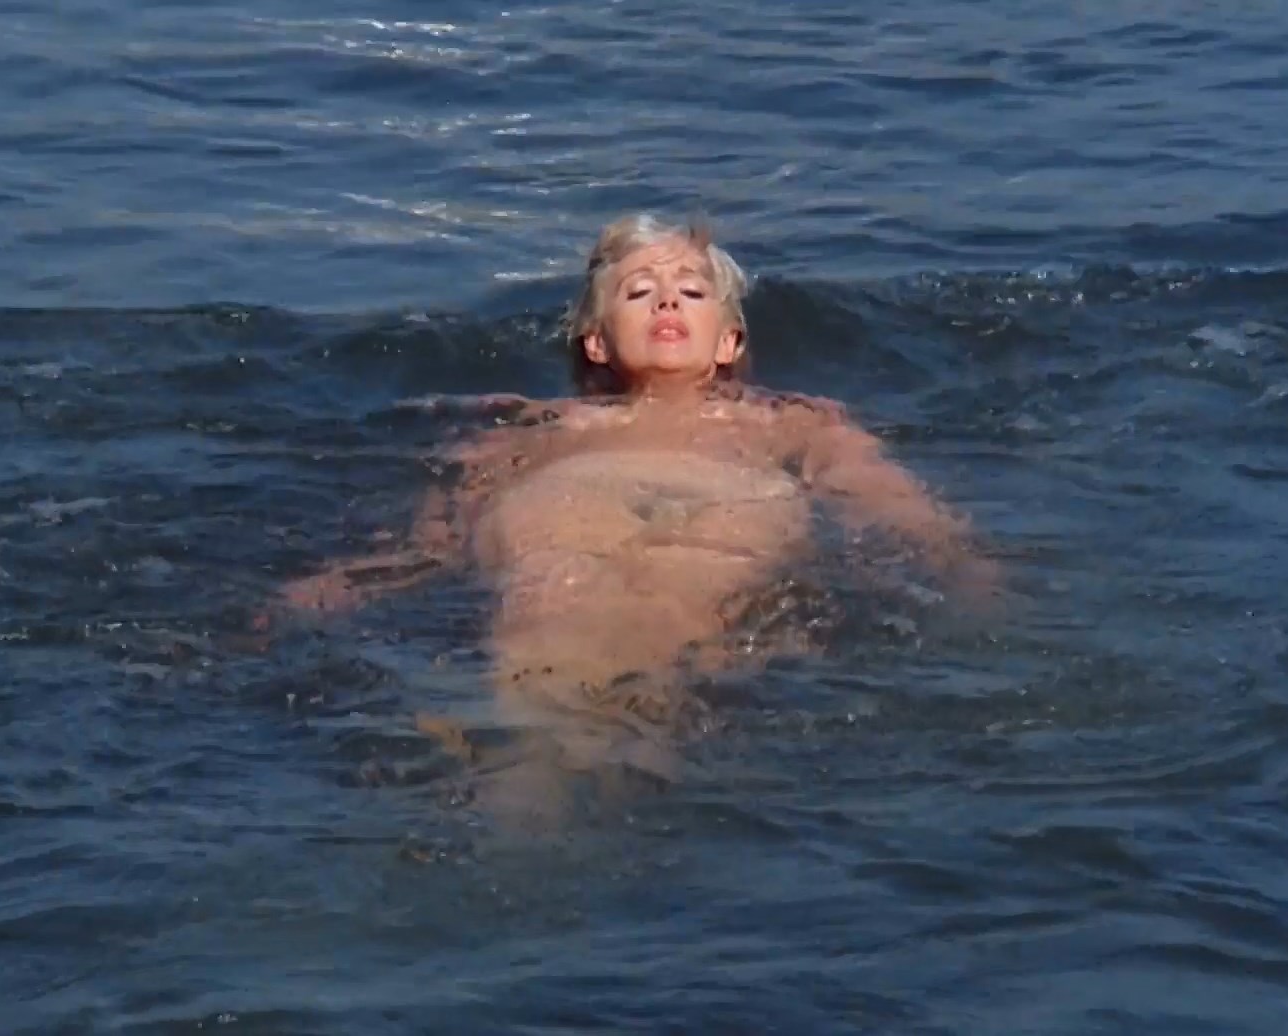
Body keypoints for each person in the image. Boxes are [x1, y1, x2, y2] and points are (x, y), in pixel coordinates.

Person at [277, 214, 998, 823]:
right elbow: (437, 531)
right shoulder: (536, 427)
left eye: (692, 291)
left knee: (659, 629)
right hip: (564, 536)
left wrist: (966, 568)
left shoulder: (793, 422)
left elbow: (888, 501)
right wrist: (341, 584)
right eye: (639, 292)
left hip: (710, 536)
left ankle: (548, 778)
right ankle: (540, 780)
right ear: (595, 340)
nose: (667, 302)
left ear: (729, 341)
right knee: (556, 613)